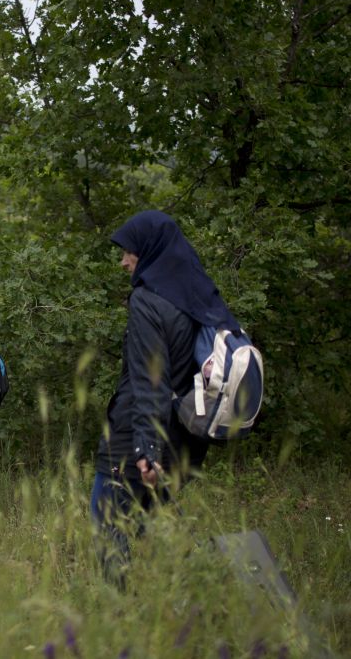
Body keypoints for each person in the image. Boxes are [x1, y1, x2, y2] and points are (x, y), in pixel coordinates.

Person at [91, 209, 240, 587]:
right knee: (144, 530)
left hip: (137, 442)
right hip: (188, 442)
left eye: (129, 252)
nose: (124, 262)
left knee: (109, 526)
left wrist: (145, 451)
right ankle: (176, 602)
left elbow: (149, 382)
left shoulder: (147, 301)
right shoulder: (202, 298)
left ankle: (116, 618)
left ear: (150, 251)